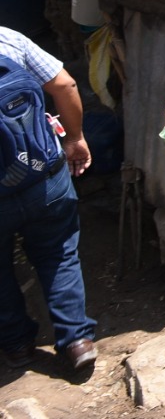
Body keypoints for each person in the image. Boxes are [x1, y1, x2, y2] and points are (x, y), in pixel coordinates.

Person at [0, 26, 96, 372]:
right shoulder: (7, 39)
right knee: (58, 253)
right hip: (44, 174)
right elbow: (65, 84)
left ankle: (17, 346)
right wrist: (75, 138)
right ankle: (76, 341)